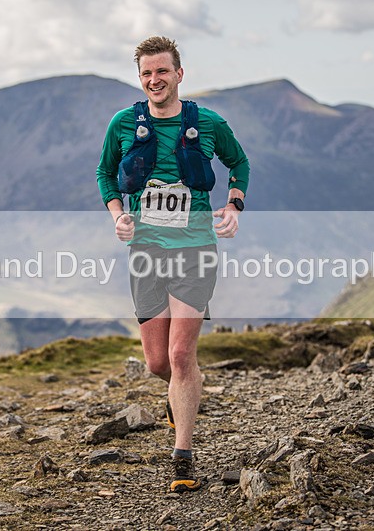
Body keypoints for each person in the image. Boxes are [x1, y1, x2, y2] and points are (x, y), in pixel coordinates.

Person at [96, 36, 250, 493]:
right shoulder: (123, 124)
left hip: (195, 248)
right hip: (145, 250)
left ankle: (182, 458)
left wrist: (234, 204)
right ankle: (178, 394)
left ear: (179, 74)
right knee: (158, 363)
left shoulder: (208, 123)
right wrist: (118, 215)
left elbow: (238, 162)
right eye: (146, 73)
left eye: (162, 71)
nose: (154, 80)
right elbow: (105, 173)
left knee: (183, 355)